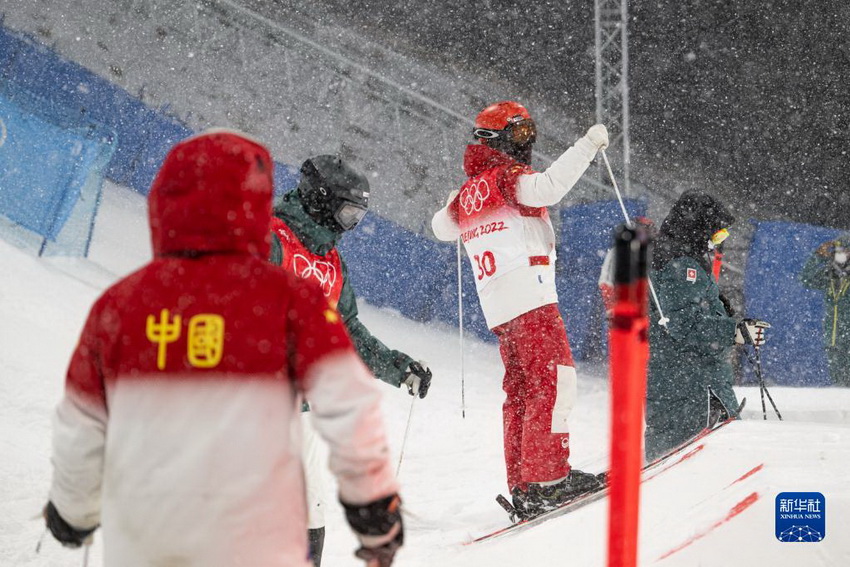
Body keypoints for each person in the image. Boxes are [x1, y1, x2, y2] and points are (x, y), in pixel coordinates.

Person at [43, 130, 403, 567]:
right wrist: (374, 510)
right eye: (348, 214)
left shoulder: (124, 301)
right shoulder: (274, 260)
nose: (350, 226)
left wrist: (73, 511)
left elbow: (85, 416)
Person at [431, 100, 609, 519]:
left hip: (499, 306)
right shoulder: (507, 177)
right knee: (554, 382)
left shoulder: (470, 192)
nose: (527, 144)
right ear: (498, 140)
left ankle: (526, 482)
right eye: (520, 135)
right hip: (531, 297)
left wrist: (453, 203)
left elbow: (441, 228)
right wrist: (587, 145)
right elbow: (548, 188)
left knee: (522, 393)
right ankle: (548, 480)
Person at [268, 154, 431, 564]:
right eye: (347, 213)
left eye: (357, 216)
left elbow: (347, 334)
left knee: (309, 502)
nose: (350, 225)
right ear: (322, 200)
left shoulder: (331, 266)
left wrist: (398, 367)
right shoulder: (270, 239)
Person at [645, 190, 768, 461]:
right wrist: (733, 331)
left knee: (698, 460)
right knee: (677, 460)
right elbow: (684, 325)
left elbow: (691, 311)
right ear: (697, 228)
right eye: (715, 235)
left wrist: (720, 309)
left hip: (699, 384)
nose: (716, 244)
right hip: (686, 387)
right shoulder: (679, 265)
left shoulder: (685, 259)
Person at [800, 233, 850, 387]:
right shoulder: (830, 275)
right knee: (841, 388)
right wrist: (817, 256)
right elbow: (806, 279)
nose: (841, 254)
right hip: (833, 341)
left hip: (847, 342)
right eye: (838, 250)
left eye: (845, 250)